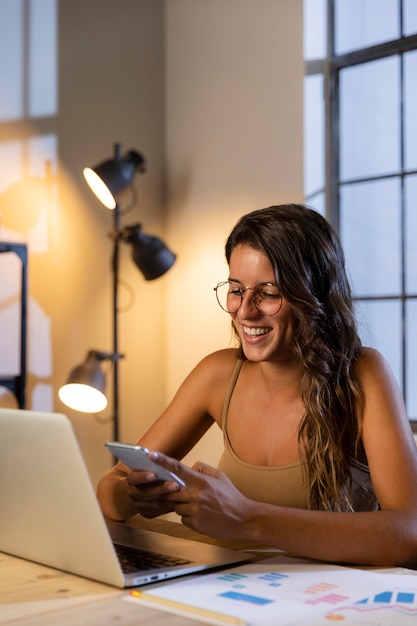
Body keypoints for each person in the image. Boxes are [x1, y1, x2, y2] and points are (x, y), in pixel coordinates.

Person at [97, 204, 417, 567]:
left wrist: (247, 518)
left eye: (268, 292)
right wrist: (132, 495)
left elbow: (407, 533)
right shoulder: (217, 375)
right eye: (236, 289)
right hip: (216, 587)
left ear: (314, 295)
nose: (245, 310)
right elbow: (109, 488)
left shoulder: (362, 375)